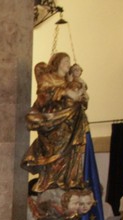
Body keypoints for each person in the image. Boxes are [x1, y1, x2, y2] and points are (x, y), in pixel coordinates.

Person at [21, 52, 89, 198]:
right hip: (53, 122)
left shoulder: (71, 80)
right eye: (65, 61)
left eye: (69, 62)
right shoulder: (49, 78)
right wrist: (64, 91)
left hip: (71, 124)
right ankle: (50, 183)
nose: (68, 65)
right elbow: (43, 95)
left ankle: (67, 181)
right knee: (55, 154)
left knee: (70, 154)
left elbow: (82, 99)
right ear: (57, 63)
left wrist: (80, 96)